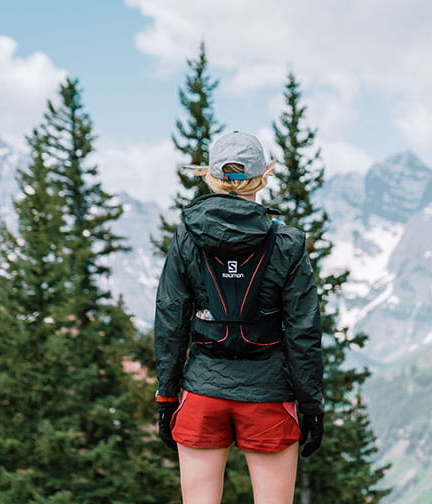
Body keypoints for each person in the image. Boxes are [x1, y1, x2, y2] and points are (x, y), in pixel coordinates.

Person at [154, 131, 324, 504]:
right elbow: (303, 333)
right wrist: (311, 405)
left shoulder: (186, 238)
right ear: (263, 176)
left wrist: (166, 397)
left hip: (202, 391)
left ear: (211, 177)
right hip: (268, 394)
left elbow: (171, 319)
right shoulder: (287, 244)